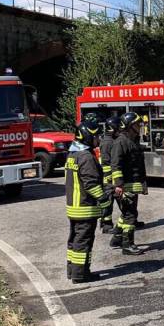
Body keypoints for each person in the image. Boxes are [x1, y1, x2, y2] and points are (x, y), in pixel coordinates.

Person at [65, 120, 109, 283]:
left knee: (74, 241)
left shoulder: (73, 154)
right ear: (87, 137)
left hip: (74, 207)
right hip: (85, 208)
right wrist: (104, 200)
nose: (98, 139)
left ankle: (72, 270)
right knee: (83, 243)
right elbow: (91, 184)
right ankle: (81, 274)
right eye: (96, 135)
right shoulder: (86, 157)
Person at [109, 112, 146, 255]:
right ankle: (127, 244)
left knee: (126, 213)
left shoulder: (132, 140)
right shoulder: (120, 142)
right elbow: (115, 165)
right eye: (137, 124)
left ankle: (117, 238)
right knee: (130, 215)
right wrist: (118, 184)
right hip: (125, 185)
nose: (139, 126)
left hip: (132, 184)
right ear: (130, 126)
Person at [98, 115, 119, 235]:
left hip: (111, 176)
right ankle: (106, 225)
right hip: (108, 178)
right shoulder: (107, 142)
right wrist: (110, 178)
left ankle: (131, 220)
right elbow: (106, 162)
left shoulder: (111, 140)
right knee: (108, 202)